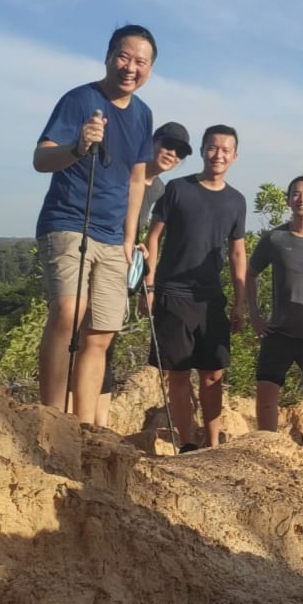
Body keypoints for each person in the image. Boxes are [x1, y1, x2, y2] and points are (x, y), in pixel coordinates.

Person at [34, 24, 158, 425]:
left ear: (150, 69)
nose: (130, 67)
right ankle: (52, 419)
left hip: (113, 236)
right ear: (108, 56)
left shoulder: (142, 114)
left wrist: (129, 238)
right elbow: (41, 158)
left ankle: (84, 426)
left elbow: (137, 178)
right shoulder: (79, 100)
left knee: (101, 333)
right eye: (124, 57)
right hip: (69, 221)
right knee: (70, 312)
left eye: (141, 61)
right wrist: (78, 146)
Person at [143, 124, 246, 452]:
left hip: (210, 297)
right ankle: (186, 443)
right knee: (177, 375)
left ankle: (213, 443)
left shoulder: (236, 201)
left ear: (235, 156)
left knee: (212, 374)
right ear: (202, 151)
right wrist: (149, 286)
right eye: (213, 148)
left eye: (225, 150)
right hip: (173, 293)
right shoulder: (176, 189)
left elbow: (238, 252)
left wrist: (240, 302)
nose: (218, 155)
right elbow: (154, 237)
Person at [96, 122, 192, 427]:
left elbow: (143, 232)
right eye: (167, 145)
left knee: (106, 343)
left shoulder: (160, 189)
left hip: (123, 267)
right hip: (98, 256)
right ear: (152, 142)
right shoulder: (122, 171)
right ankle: (71, 416)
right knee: (84, 338)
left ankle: (97, 423)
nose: (171, 154)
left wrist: (144, 275)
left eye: (179, 152)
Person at [247, 176, 303, 444]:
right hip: (279, 332)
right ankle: (268, 449)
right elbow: (251, 274)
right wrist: (255, 315)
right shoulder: (275, 238)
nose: (302, 198)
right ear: (287, 199)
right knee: (266, 395)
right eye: (296, 193)